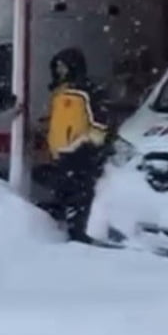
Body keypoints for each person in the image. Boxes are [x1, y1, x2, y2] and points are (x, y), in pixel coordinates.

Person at [43, 47, 111, 240]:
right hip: (61, 153)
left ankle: (78, 233)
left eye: (63, 67)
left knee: (79, 196)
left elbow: (100, 121)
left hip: (80, 153)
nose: (60, 71)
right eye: (57, 67)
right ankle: (63, 232)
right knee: (63, 193)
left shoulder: (87, 91)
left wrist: (88, 144)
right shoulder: (59, 92)